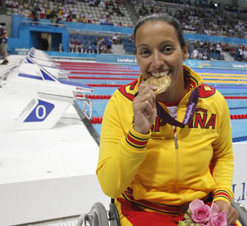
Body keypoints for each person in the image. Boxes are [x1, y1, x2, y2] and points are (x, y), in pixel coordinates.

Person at [97, 13, 238, 226]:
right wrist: (139, 132)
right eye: (145, 52)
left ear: (184, 51)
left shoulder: (213, 101)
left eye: (167, 49)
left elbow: (223, 157)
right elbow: (110, 186)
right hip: (142, 211)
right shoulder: (121, 103)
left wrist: (222, 197)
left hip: (203, 209)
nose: (157, 62)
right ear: (137, 57)